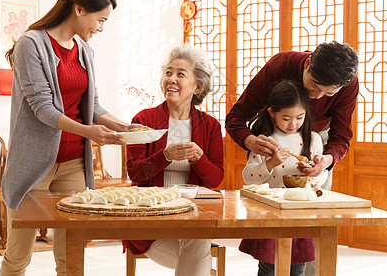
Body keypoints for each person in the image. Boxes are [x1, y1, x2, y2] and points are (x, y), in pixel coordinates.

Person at [0, 0, 139, 275]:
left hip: (75, 164)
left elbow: (93, 106)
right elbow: (42, 108)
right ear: (79, 9)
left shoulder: (85, 51)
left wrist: (123, 127)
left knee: (71, 257)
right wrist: (90, 132)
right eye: (100, 19)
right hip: (33, 166)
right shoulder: (31, 43)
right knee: (18, 255)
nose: (101, 28)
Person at [122, 44, 224, 276]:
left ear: (198, 86)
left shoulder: (210, 126)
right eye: (168, 73)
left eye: (180, 74)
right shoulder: (143, 119)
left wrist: (199, 158)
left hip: (191, 215)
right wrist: (165, 156)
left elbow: (216, 179)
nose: (171, 79)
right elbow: (134, 172)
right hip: (151, 220)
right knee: (200, 254)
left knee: (197, 239)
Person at [226, 41, 359, 190]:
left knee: (318, 194)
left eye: (329, 93)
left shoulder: (348, 83)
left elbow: (341, 136)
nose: (318, 96)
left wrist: (326, 160)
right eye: (314, 86)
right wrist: (250, 141)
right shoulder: (280, 66)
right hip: (274, 135)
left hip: (317, 138)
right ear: (308, 63)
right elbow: (235, 117)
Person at [240, 80, 328, 276]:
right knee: (268, 270)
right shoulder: (265, 140)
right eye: (286, 118)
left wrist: (314, 172)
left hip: (300, 215)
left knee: (297, 270)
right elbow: (249, 178)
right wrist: (270, 163)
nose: (293, 124)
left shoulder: (313, 139)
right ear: (272, 113)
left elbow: (319, 181)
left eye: (300, 117)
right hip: (270, 214)